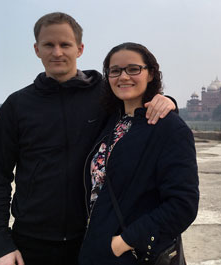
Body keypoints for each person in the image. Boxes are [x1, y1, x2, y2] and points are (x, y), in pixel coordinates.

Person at [0, 12, 176, 265]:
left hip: (95, 235)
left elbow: (140, 106)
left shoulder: (105, 96)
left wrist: (167, 102)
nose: (57, 52)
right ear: (36, 50)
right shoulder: (17, 106)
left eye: (65, 44)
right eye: (49, 45)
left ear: (80, 49)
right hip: (33, 240)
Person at [78, 42, 199, 264]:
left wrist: (123, 242)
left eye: (133, 69)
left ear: (151, 73)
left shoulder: (169, 129)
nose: (123, 77)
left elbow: (183, 205)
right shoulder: (109, 122)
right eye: (115, 71)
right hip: (95, 250)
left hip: (131, 254)